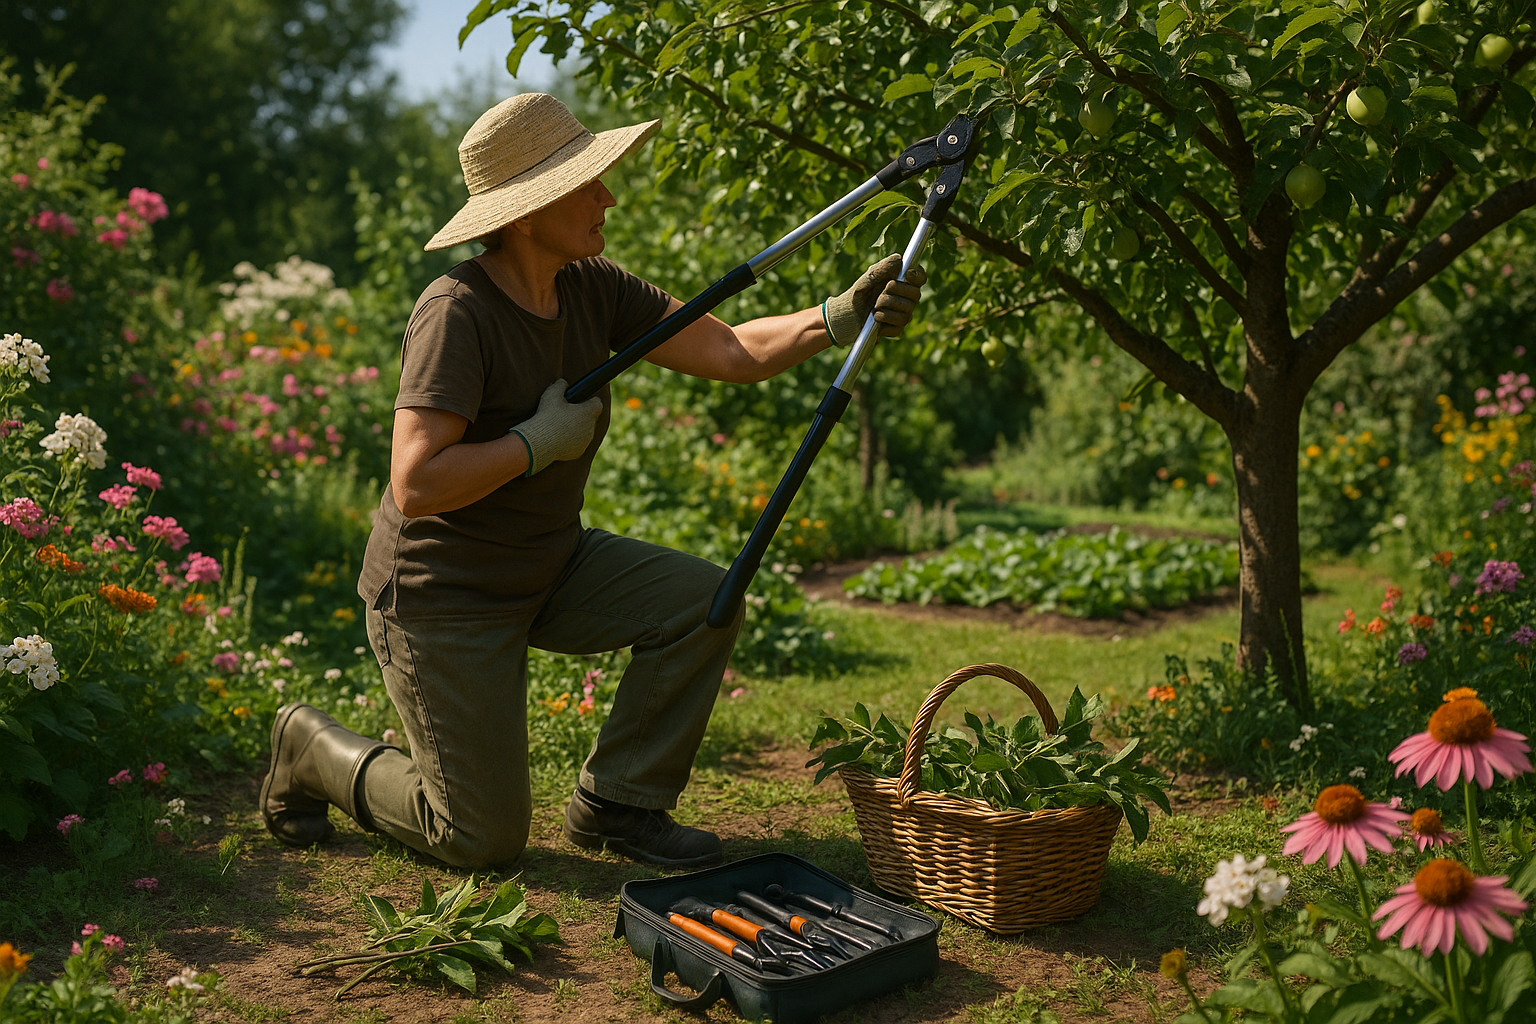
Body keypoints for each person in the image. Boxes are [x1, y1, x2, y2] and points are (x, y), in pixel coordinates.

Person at [258, 92, 926, 870]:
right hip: (445, 596)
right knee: (479, 838)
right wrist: (535, 444)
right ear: (528, 209)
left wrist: (840, 315)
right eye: (586, 183)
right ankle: (309, 748)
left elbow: (732, 351)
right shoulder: (457, 312)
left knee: (701, 603)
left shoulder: (594, 286)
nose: (607, 195)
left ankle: (619, 803)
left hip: (549, 563)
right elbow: (417, 483)